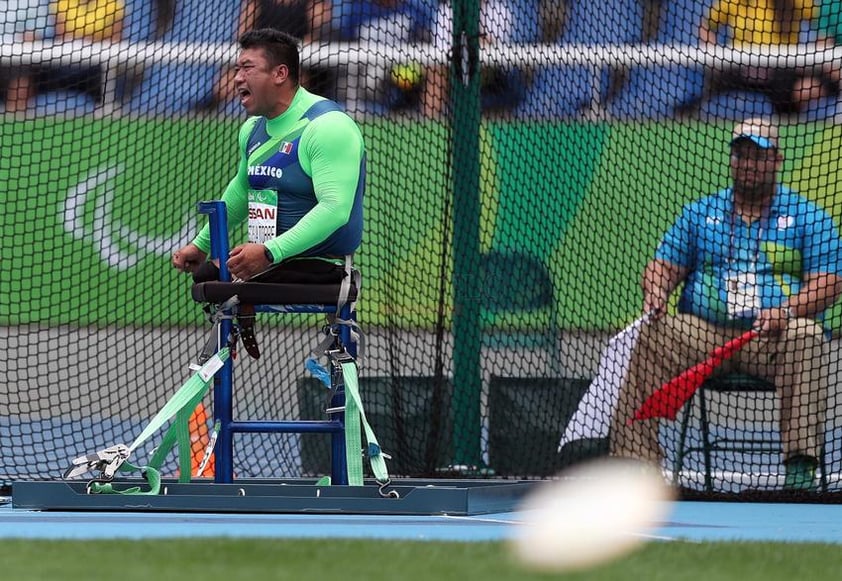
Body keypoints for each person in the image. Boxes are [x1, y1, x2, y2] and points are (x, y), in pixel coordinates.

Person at [609, 118, 842, 491]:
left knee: (809, 336)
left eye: (758, 155)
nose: (748, 163)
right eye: (741, 154)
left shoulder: (807, 216)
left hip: (772, 335)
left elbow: (830, 283)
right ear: (731, 159)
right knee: (651, 332)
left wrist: (786, 311)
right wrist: (656, 293)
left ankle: (800, 469)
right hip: (704, 333)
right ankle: (637, 467)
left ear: (777, 159)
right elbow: (663, 266)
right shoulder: (700, 212)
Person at [172, 28, 366, 358]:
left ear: (280, 74)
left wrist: (270, 252)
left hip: (318, 262)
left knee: (221, 279)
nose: (237, 78)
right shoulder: (252, 128)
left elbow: (335, 208)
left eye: (248, 68)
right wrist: (202, 244)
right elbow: (242, 188)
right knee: (207, 273)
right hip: (269, 258)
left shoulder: (327, 127)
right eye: (236, 69)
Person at [676, 0, 838, 118]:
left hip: (781, 69)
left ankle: (788, 122)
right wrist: (713, 52)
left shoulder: (796, 2)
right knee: (713, 89)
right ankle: (690, 113)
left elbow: (822, 23)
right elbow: (706, 25)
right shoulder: (734, 1)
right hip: (739, 66)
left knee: (798, 93)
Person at [205, 0, 333, 111]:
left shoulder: (314, 3)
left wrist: (290, 53)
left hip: (297, 60)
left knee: (295, 80)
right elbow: (244, 31)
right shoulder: (257, 2)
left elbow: (317, 33)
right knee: (226, 81)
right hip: (261, 56)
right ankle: (208, 112)